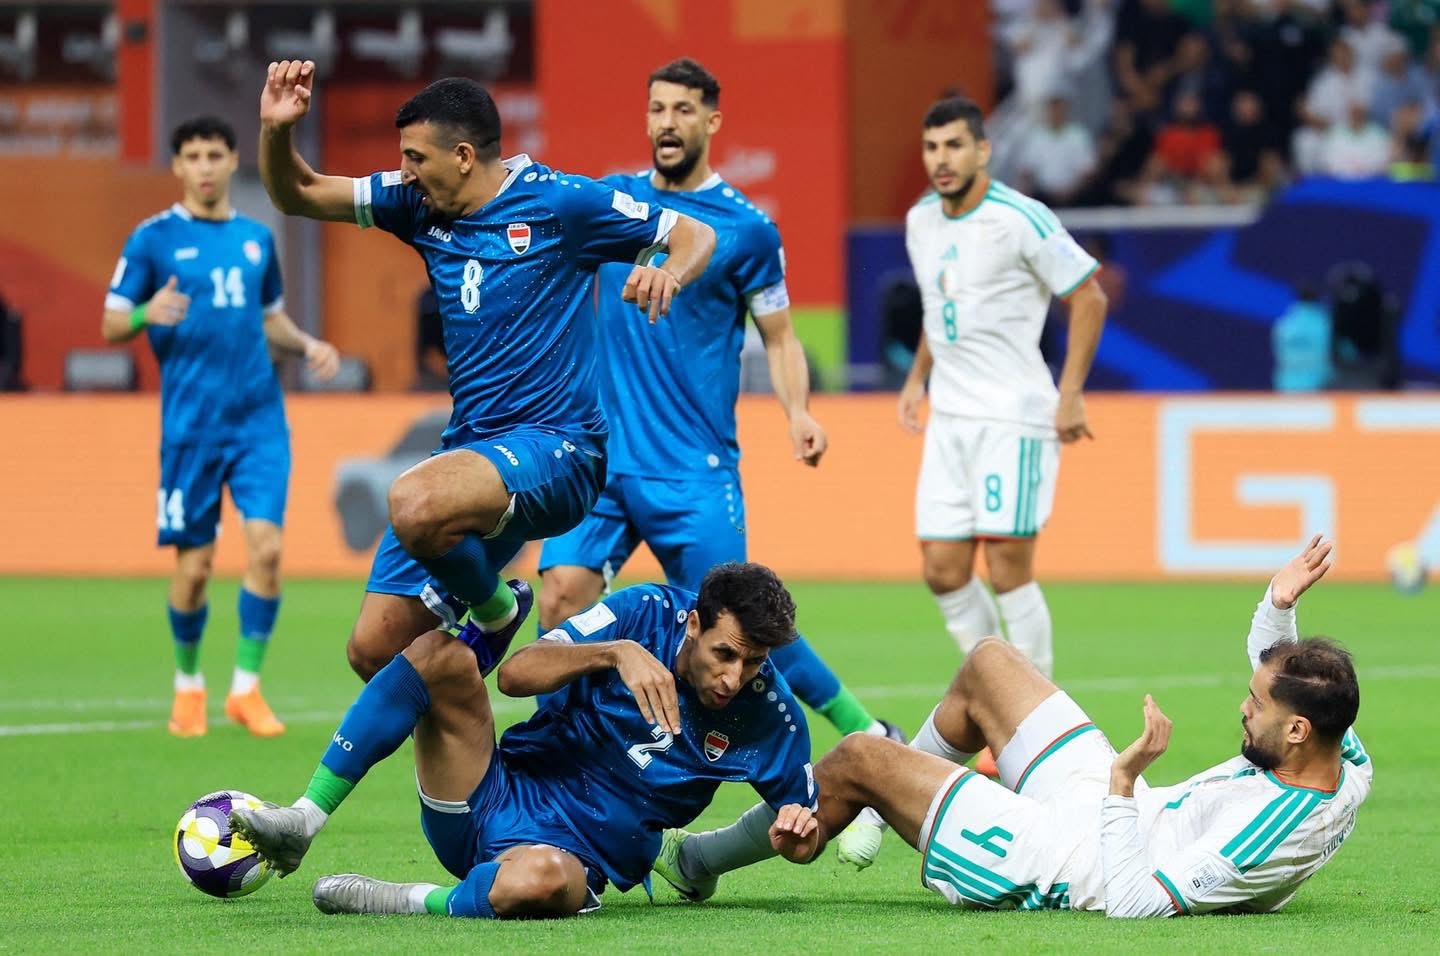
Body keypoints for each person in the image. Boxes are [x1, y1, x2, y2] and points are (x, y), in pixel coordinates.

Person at [255, 61, 715, 681]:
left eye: (415, 157)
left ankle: (497, 610)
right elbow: (300, 192)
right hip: (473, 459)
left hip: (558, 451)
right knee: (375, 650)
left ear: (464, 156)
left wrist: (669, 273)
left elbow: (694, 234)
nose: (404, 171)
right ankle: (470, 739)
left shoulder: (561, 204)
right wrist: (276, 130)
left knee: (413, 501)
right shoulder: (416, 204)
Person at [658, 536, 1371, 918]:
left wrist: (1124, 782)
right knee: (991, 663)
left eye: (1256, 706)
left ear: (1297, 732)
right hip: (1116, 807)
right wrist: (1278, 608)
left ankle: (695, 864)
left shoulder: (1267, 836)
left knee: (858, 757)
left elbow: (1132, 903)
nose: (1243, 709)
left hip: (1070, 860)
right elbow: (1280, 687)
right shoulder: (1342, 754)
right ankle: (881, 806)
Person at [535, 58, 899, 741]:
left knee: (742, 629)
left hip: (693, 472)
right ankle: (563, 756)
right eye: (657, 109)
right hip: (602, 461)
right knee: (559, 602)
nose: (667, 123)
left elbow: (781, 338)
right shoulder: (613, 204)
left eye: (682, 110)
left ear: (712, 121)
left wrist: (799, 411)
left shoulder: (747, 229)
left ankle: (867, 731)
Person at [230, 562, 820, 918]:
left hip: (569, 862)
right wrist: (614, 653)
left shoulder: (771, 714)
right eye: (725, 654)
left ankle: (402, 898)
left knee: (540, 879)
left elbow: (800, 823)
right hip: (491, 792)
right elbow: (514, 675)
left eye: (753, 662)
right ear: (693, 624)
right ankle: (304, 818)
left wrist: (799, 835)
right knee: (441, 654)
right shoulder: (643, 613)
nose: (734, 678)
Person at [101, 115, 342, 738]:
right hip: (192, 428)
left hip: (259, 421)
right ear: (177, 166)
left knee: (268, 550)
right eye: (193, 156)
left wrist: (307, 344)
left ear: (234, 161)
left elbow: (269, 318)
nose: (204, 167)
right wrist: (146, 313)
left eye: (214, 154)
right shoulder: (152, 239)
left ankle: (245, 689)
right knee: (195, 569)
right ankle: (188, 684)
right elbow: (112, 321)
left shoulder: (256, 239)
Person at [897, 96, 1107, 774]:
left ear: (983, 150)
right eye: (932, 147)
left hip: (1014, 417)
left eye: (955, 145)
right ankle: (996, 691)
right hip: (950, 420)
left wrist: (1070, 392)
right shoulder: (921, 220)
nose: (942, 160)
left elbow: (1089, 295)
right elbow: (940, 309)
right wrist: (918, 378)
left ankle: (1033, 724)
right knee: (942, 569)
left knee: (1008, 567)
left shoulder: (1022, 218)